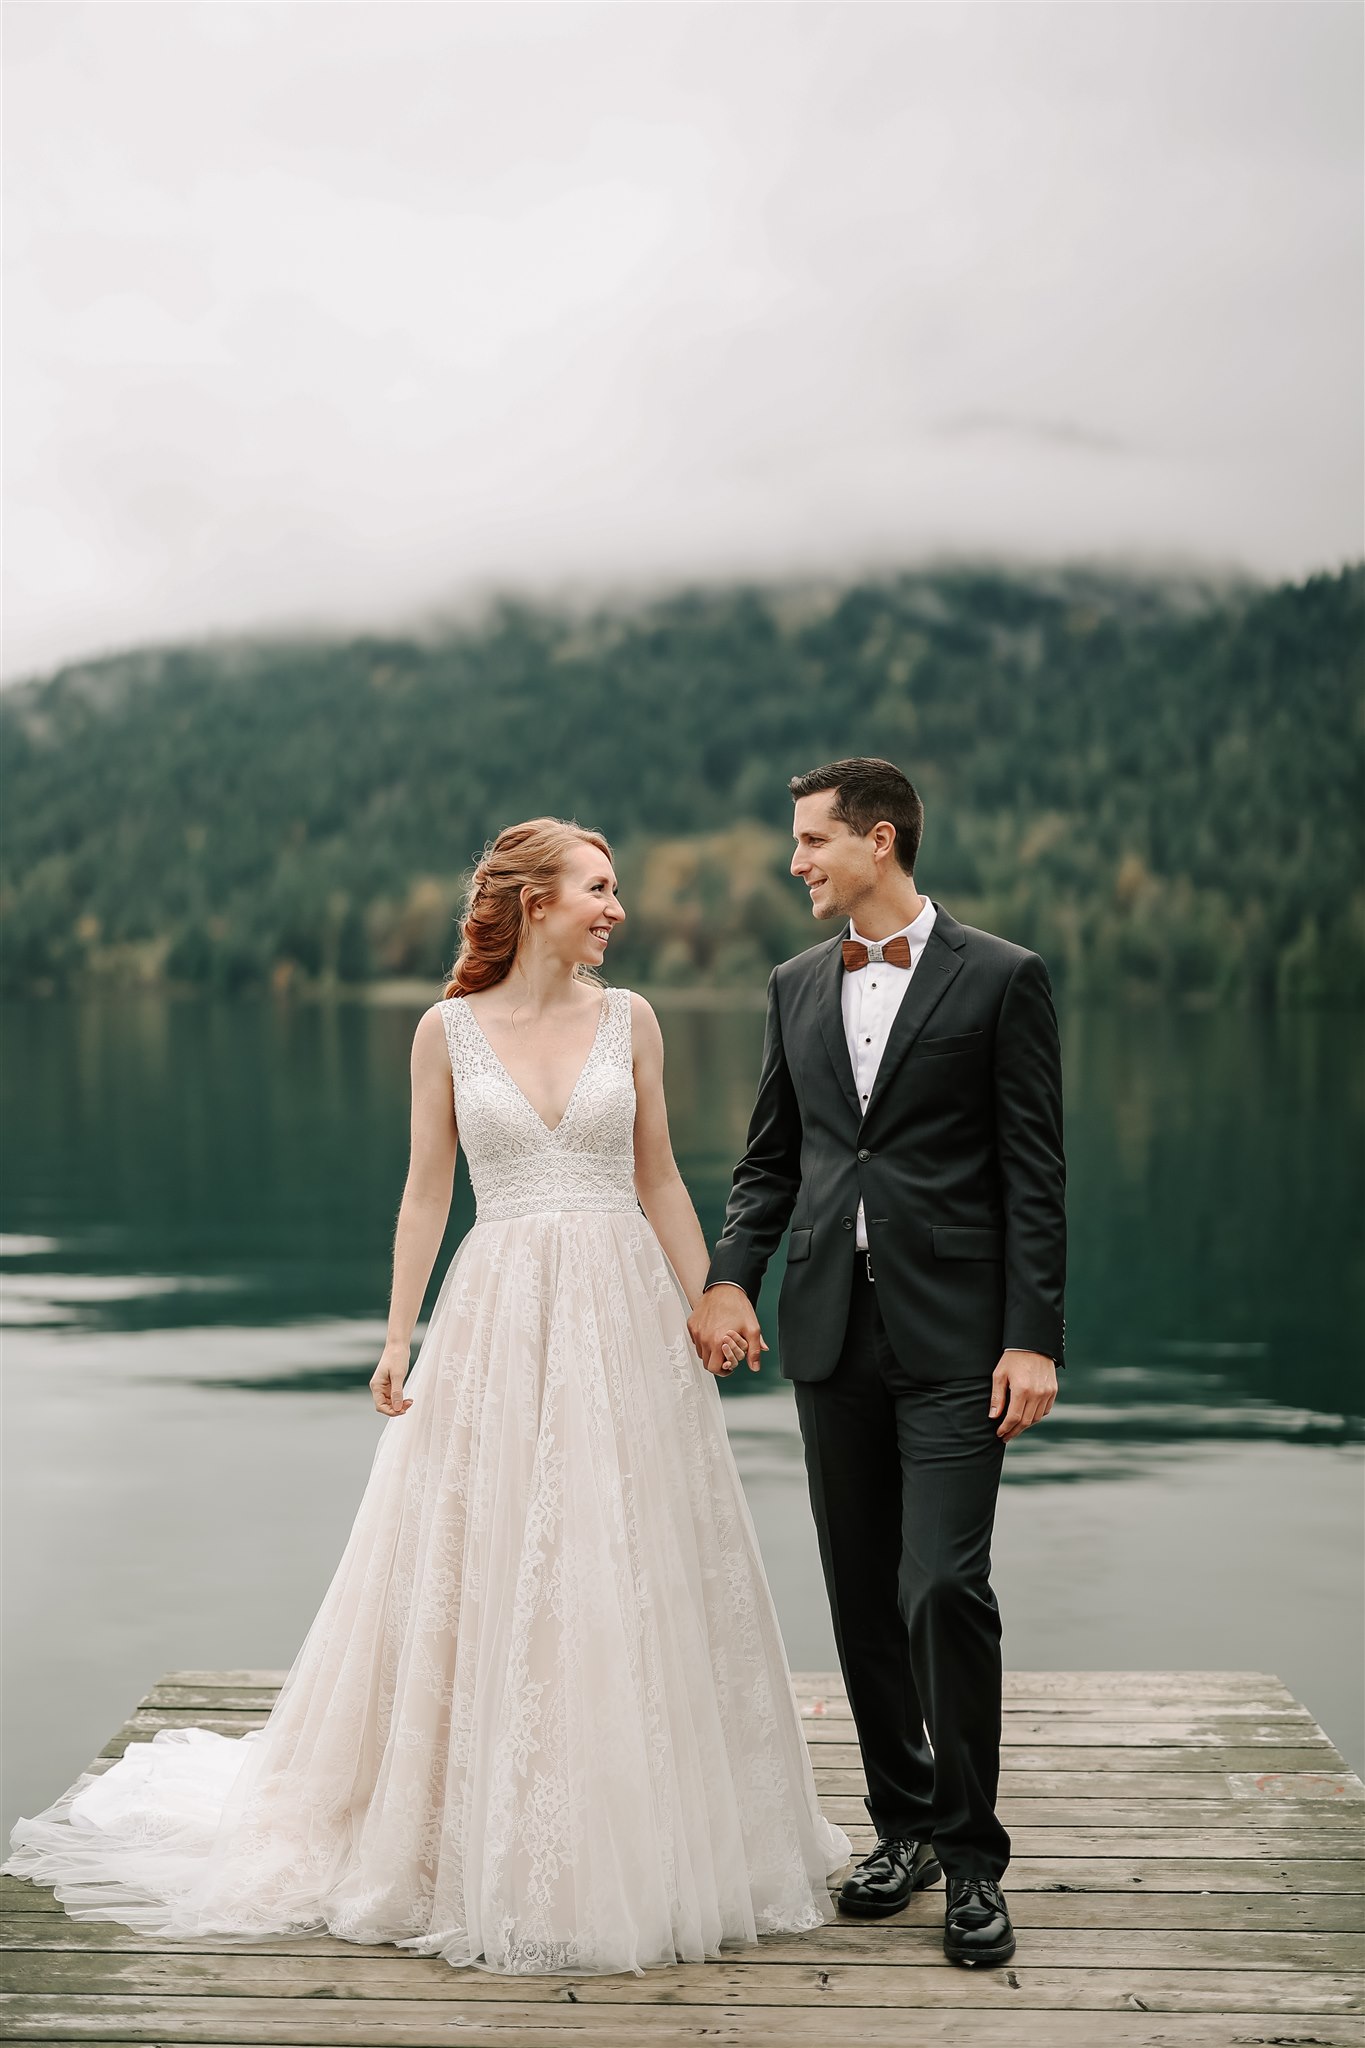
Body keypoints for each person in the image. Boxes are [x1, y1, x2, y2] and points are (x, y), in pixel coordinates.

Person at [4, 817, 849, 1976]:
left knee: (625, 1556)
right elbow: (424, 1193)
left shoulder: (635, 1020)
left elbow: (657, 1172)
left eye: (615, 892)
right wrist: (398, 1334)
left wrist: (709, 1293)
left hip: (621, 1315)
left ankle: (642, 1828)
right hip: (496, 1314)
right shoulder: (445, 1031)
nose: (617, 909)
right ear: (534, 900)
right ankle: (468, 1827)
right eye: (598, 889)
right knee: (490, 1553)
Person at [689, 758, 1065, 1970]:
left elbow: (1034, 1176)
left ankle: (970, 1860)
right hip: (827, 1336)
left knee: (941, 1585)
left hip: (960, 1339)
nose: (794, 861)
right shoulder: (796, 983)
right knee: (859, 1593)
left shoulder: (1004, 977)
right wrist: (730, 1273)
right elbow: (771, 1159)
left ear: (880, 839)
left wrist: (1033, 1334)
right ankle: (899, 1827)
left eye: (810, 840)